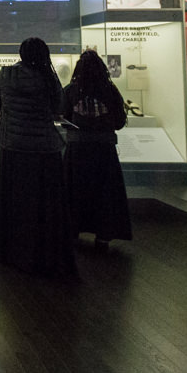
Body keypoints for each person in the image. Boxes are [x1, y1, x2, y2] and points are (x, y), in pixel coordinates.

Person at [0, 37, 75, 276]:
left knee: (10, 197)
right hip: (43, 147)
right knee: (44, 201)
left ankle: (4, 246)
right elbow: (58, 108)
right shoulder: (48, 78)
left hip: (13, 144)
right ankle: (44, 249)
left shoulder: (6, 75)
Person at [63, 50, 131, 251]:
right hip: (104, 150)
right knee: (105, 194)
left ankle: (73, 229)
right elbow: (119, 121)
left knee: (75, 192)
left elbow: (63, 117)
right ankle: (104, 235)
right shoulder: (109, 90)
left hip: (77, 149)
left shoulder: (71, 90)